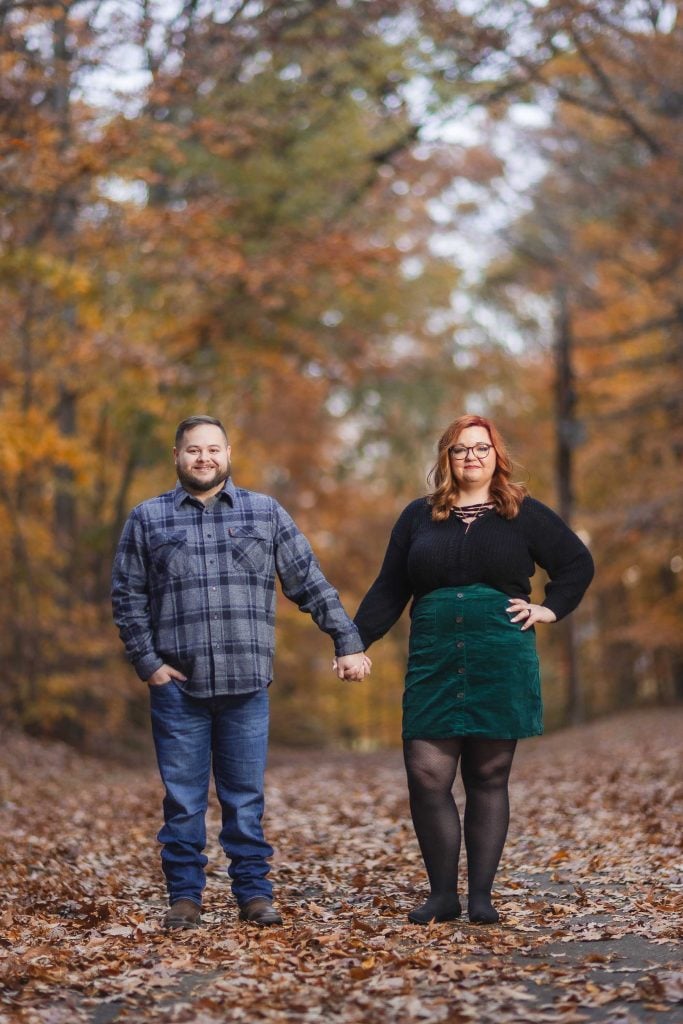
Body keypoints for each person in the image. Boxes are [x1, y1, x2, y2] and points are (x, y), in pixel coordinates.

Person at [112, 415, 370, 930]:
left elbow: (309, 583)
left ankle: (254, 895)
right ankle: (184, 899)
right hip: (177, 688)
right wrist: (149, 663)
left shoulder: (265, 512)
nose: (203, 458)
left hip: (247, 685)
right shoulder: (148, 518)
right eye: (192, 450)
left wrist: (346, 639)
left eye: (212, 449)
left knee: (245, 799)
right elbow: (126, 596)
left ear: (228, 453)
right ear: (177, 456)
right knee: (183, 803)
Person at [352, 414, 594, 925]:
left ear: (496, 456)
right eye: (461, 450)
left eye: (482, 448)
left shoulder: (523, 513)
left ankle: (480, 896)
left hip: (499, 653)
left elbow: (576, 563)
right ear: (446, 457)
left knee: (487, 775)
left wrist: (548, 609)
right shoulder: (419, 517)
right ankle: (442, 895)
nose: (472, 457)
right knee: (426, 773)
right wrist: (353, 642)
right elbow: (390, 588)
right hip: (434, 654)